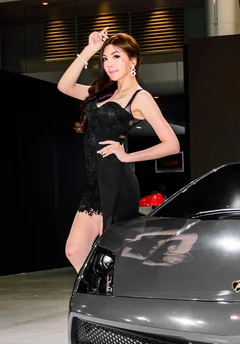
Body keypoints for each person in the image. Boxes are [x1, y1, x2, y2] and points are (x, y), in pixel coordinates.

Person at [57, 28, 180, 272]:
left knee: (112, 252)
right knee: (74, 249)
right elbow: (64, 86)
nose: (109, 64)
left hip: (116, 181)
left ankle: (116, 297)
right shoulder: (102, 91)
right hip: (95, 184)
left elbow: (172, 144)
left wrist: (128, 155)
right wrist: (90, 49)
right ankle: (103, 292)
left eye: (116, 56)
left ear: (133, 60)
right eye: (105, 58)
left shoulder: (140, 98)